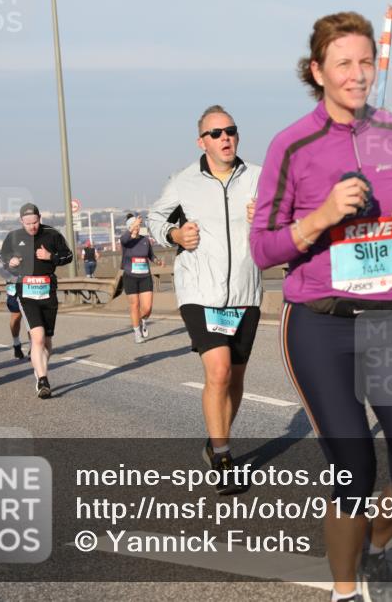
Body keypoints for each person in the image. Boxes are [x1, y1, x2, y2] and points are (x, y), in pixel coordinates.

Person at [250, 11, 392, 602]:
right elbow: (261, 247)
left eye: (366, 63)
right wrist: (324, 215)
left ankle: (377, 543)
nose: (357, 75)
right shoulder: (292, 145)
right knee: (353, 473)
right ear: (318, 72)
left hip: (391, 320)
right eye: (343, 64)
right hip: (320, 325)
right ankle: (345, 590)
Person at [147, 104, 261, 493]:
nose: (225, 137)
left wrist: (267, 216)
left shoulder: (259, 178)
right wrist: (176, 236)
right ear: (202, 141)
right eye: (216, 133)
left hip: (246, 291)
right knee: (218, 371)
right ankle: (224, 456)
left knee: (236, 376)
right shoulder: (184, 182)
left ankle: (215, 440)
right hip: (200, 290)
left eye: (230, 130)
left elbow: (287, 216)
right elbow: (154, 219)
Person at [0, 203, 73, 398]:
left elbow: (68, 256)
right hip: (26, 292)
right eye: (27, 223)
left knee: (47, 343)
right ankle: (43, 380)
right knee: (37, 338)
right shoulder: (14, 237)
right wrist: (10, 262)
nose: (32, 226)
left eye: (35, 222)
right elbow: (2, 258)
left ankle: (38, 365)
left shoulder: (52, 234)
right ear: (20, 221)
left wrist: (51, 256)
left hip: (48, 292)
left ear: (40, 218)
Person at [120, 213, 163, 343]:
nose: (138, 227)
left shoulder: (145, 240)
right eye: (135, 225)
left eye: (139, 225)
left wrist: (157, 261)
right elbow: (125, 238)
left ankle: (143, 321)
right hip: (130, 277)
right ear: (130, 226)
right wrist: (134, 224)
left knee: (147, 307)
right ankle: (137, 332)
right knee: (135, 305)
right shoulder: (125, 241)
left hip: (145, 276)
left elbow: (151, 255)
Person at [0, 260, 25, 359]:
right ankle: (16, 344)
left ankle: (34, 347)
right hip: (14, 287)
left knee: (31, 317)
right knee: (16, 316)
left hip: (30, 285)